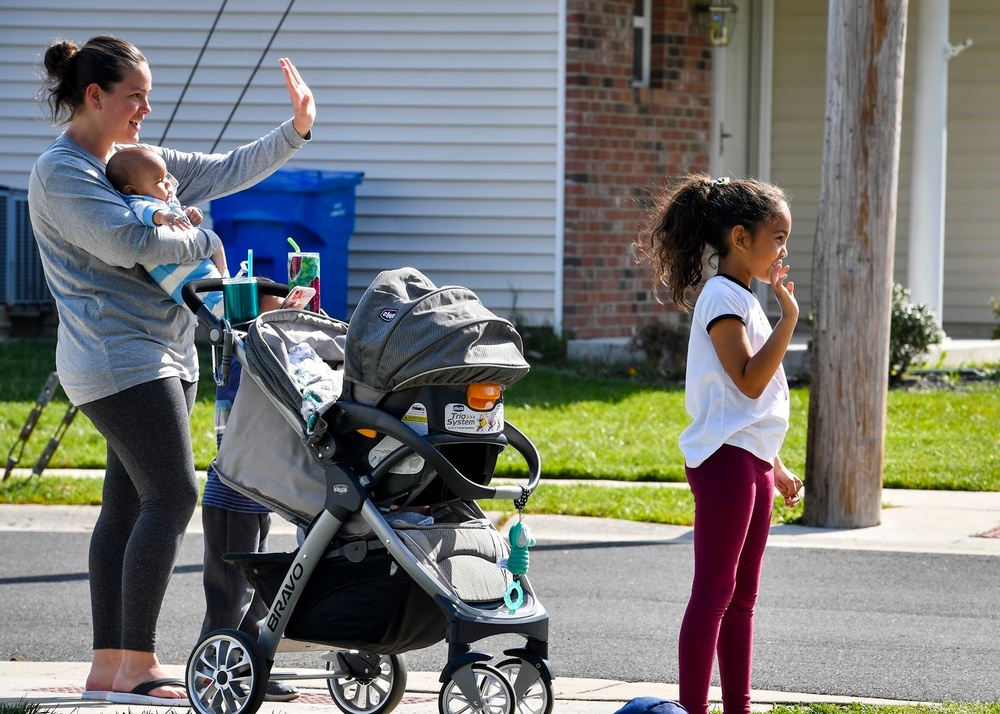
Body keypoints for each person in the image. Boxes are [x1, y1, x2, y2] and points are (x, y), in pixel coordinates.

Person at [28, 35, 314, 706]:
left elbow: (225, 167)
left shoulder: (138, 163)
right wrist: (201, 236)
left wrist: (296, 128)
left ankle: (110, 667)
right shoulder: (64, 172)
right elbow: (127, 240)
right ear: (94, 96)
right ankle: (136, 663)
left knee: (127, 504)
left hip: (164, 356)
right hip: (117, 359)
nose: (145, 110)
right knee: (172, 495)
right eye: (135, 97)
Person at [106, 146, 297, 701]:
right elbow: (153, 220)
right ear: (139, 190)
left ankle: (249, 653)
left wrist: (193, 227)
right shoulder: (141, 214)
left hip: (209, 308)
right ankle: (219, 653)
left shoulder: (161, 211)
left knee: (260, 541)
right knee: (185, 505)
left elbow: (183, 224)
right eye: (161, 181)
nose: (170, 188)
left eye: (168, 180)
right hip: (201, 311)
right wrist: (178, 220)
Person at [635, 174, 804, 714]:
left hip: (749, 461)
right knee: (714, 593)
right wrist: (789, 321)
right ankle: (693, 709)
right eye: (777, 237)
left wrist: (773, 464)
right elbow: (750, 380)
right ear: (739, 237)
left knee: (743, 601)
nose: (783, 249)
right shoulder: (720, 298)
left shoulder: (742, 297)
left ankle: (739, 708)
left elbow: (746, 407)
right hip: (724, 465)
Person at [105, 145, 225, 318]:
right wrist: (162, 217)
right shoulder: (138, 202)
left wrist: (190, 214)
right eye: (159, 181)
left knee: (223, 285)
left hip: (195, 262)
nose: (168, 183)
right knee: (219, 303)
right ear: (131, 190)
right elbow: (146, 212)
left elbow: (181, 222)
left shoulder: (166, 203)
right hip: (182, 274)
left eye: (166, 176)